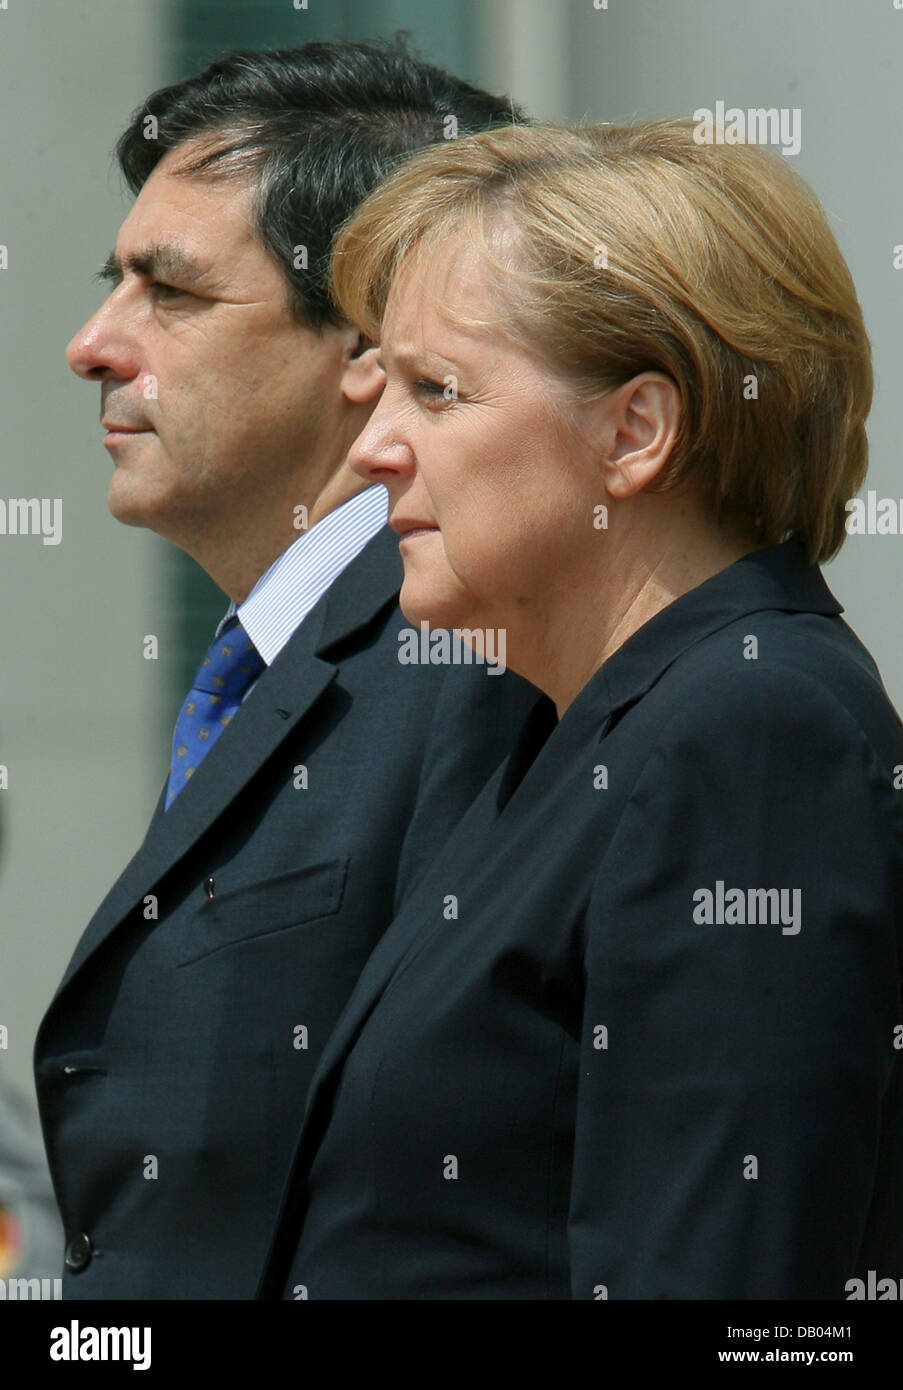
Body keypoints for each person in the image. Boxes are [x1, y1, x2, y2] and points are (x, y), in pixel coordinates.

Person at [257, 120, 903, 1300]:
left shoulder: (754, 729)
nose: (374, 448)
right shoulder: (544, 726)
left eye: (437, 391)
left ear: (636, 432)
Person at [33, 40, 536, 1299]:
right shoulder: (282, 659)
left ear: (371, 341)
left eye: (173, 293)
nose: (92, 344)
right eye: (114, 283)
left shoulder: (482, 658)